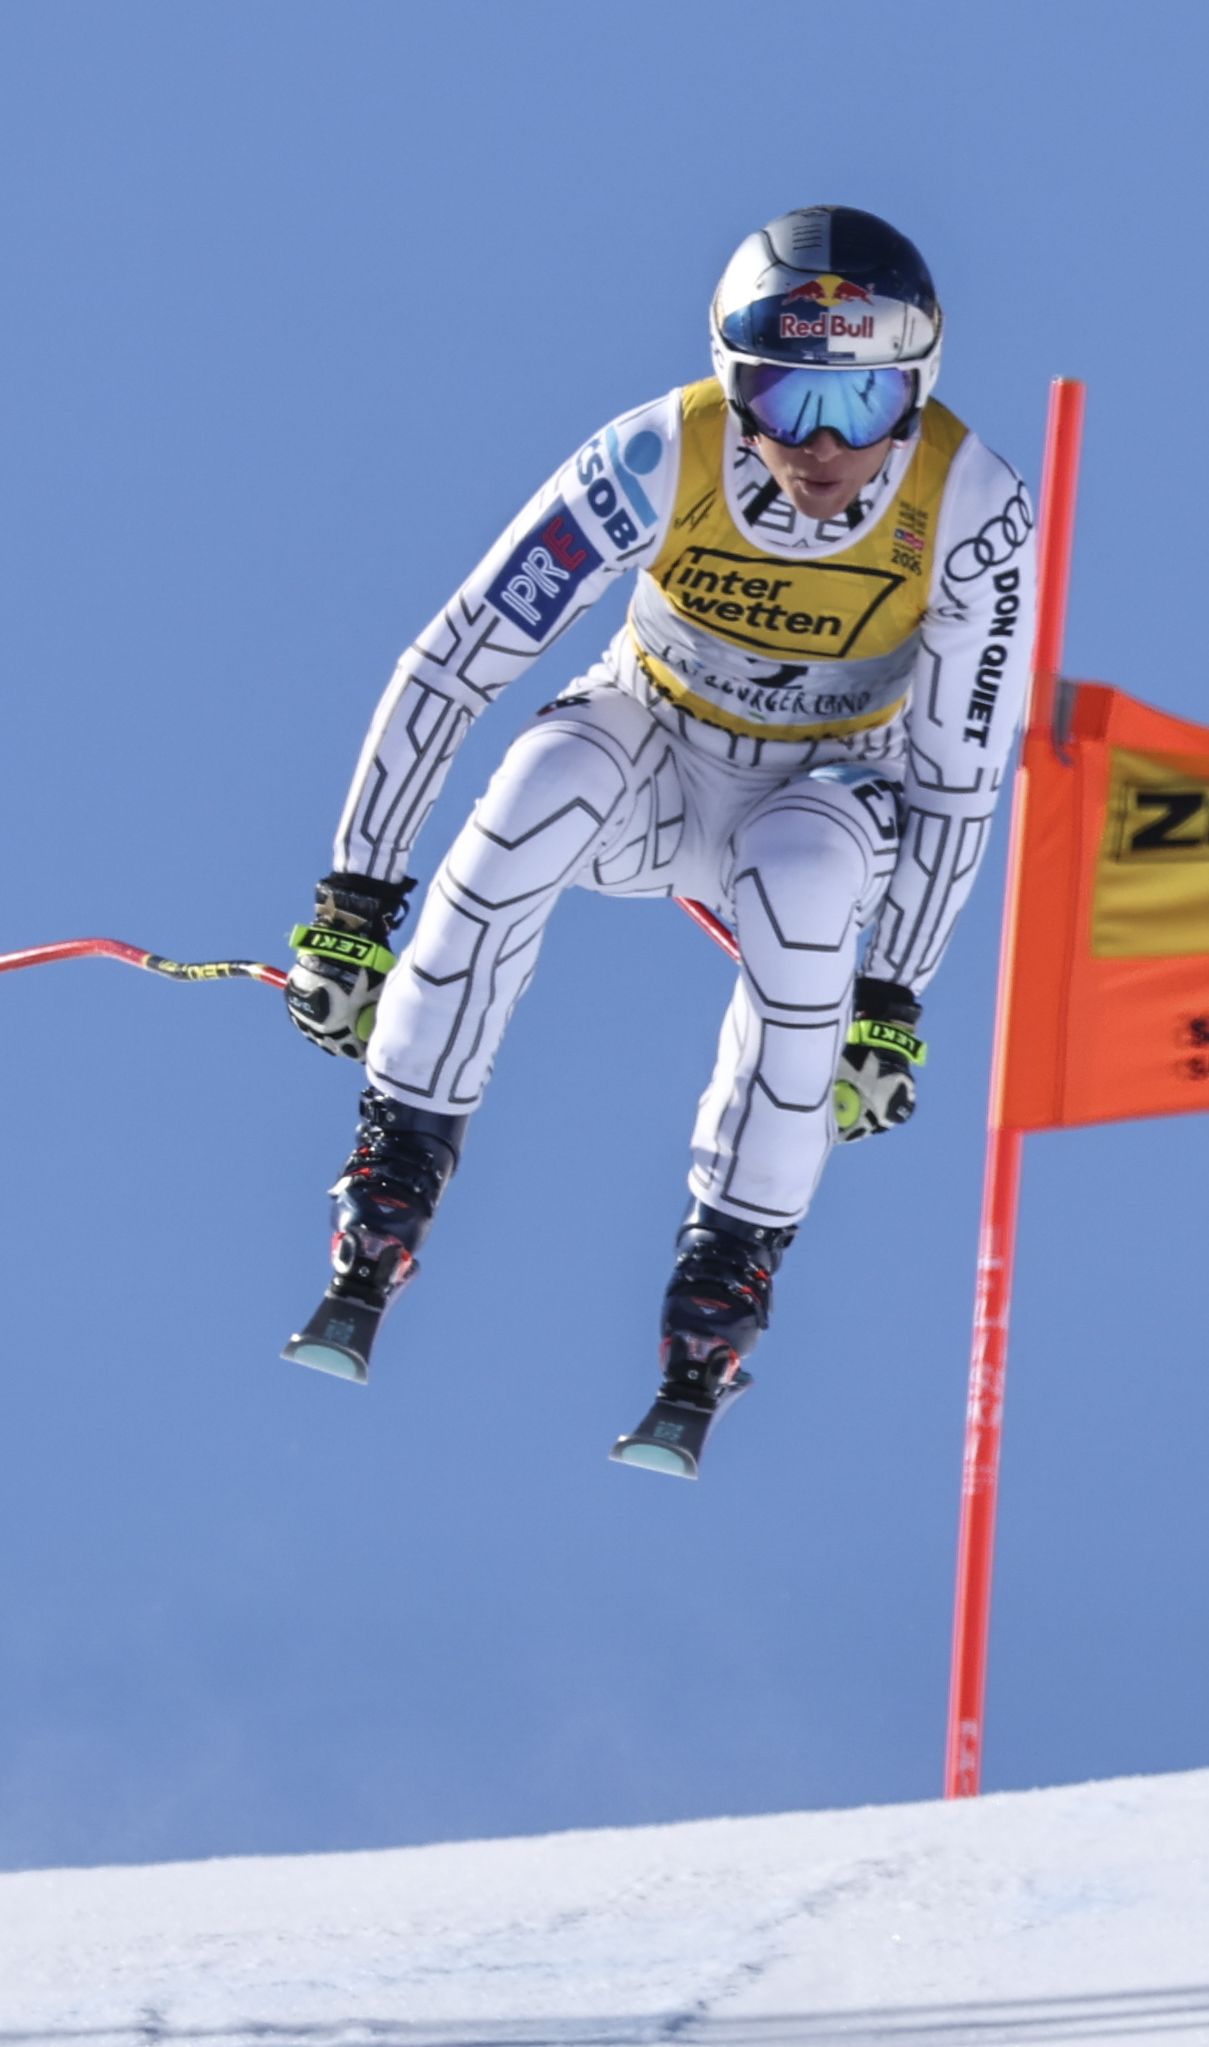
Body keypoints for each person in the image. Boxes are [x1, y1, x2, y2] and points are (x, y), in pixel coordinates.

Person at [274, 206, 1035, 1477]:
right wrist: (353, 907)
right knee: (547, 778)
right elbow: (455, 663)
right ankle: (400, 1150)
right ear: (734, 386)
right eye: (789, 398)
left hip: (823, 792)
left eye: (864, 401)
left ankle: (731, 1261)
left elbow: (962, 776)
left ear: (918, 390)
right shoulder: (654, 456)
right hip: (653, 758)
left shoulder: (971, 503)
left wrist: (889, 1004)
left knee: (803, 885)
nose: (826, 446)